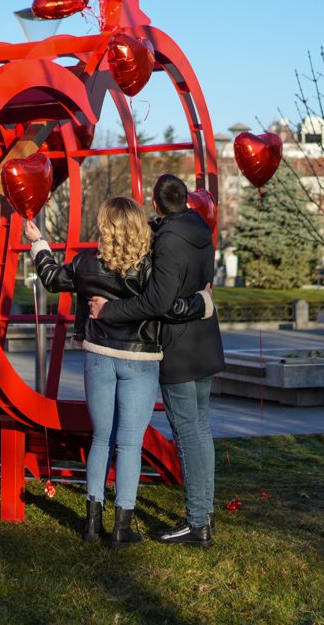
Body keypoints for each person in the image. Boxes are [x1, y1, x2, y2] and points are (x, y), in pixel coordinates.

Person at [23, 198, 208, 547]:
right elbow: (167, 308)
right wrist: (203, 303)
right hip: (139, 360)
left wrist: (38, 242)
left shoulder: (85, 262)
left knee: (101, 440)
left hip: (98, 357)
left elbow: (50, 278)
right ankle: (122, 528)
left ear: (105, 226)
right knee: (129, 445)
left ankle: (92, 525)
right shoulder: (150, 267)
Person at [89, 174, 221, 548]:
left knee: (187, 435)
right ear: (187, 201)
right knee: (201, 430)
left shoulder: (166, 242)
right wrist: (202, 304)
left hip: (178, 348)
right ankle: (204, 513)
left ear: (155, 201)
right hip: (205, 342)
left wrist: (109, 310)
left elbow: (157, 303)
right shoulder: (200, 230)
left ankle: (197, 524)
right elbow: (203, 287)